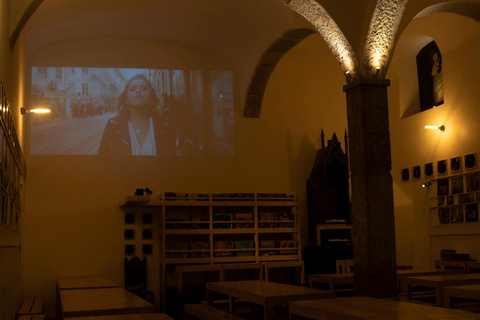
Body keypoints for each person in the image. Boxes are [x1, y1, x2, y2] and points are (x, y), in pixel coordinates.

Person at [98, 74, 174, 156]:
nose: (138, 91)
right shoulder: (113, 125)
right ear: (126, 99)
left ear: (151, 98)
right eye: (132, 89)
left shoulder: (163, 125)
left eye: (143, 89)